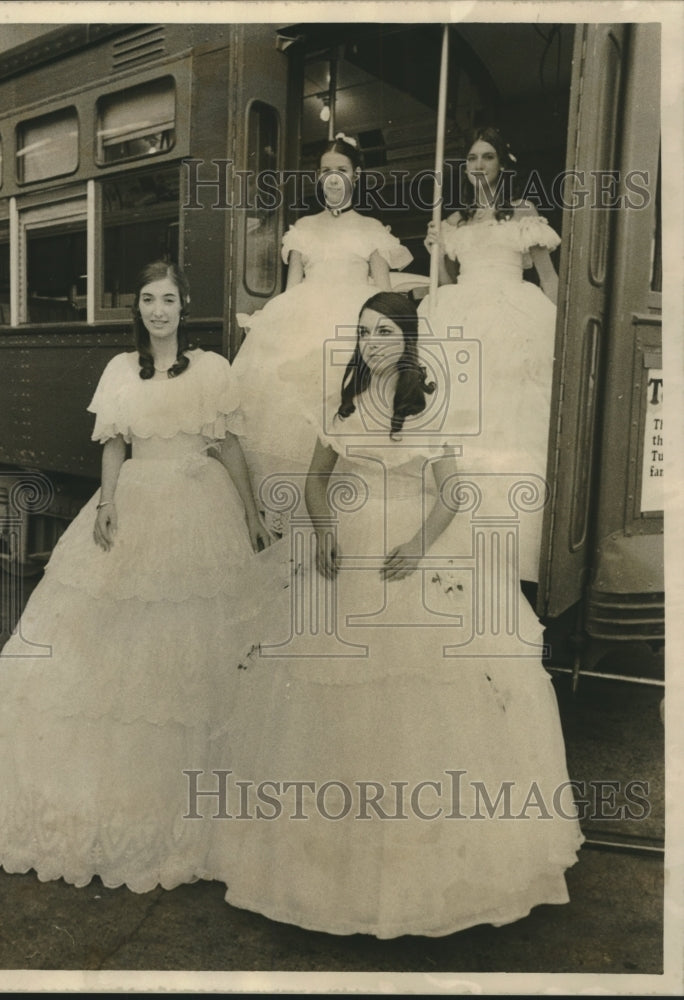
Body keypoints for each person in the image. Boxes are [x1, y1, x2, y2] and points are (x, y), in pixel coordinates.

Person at [203, 292, 582, 938]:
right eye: (365, 332)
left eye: (385, 332)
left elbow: (453, 493)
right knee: (331, 698)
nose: (373, 342)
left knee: (422, 701)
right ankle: (326, 871)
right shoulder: (344, 404)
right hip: (348, 553)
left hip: (412, 555)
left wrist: (418, 545)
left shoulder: (427, 401)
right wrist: (322, 531)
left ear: (407, 340)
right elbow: (318, 483)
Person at [0, 259, 282, 894]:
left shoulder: (211, 369)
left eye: (168, 299)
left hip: (200, 507)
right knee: (113, 645)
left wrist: (254, 515)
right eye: (147, 299)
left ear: (184, 305)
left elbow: (229, 445)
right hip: (138, 503)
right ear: (138, 310)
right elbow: (115, 444)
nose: (158, 310)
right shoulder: (122, 370)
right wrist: (110, 503)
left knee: (196, 641)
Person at [232, 134, 413, 525]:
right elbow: (292, 286)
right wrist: (272, 329)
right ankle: (288, 519)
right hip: (302, 317)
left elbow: (383, 292)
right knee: (288, 406)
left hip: (352, 322)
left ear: (356, 176)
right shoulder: (302, 228)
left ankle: (337, 515)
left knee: (339, 405)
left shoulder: (370, 228)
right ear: (319, 177)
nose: (333, 179)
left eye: (342, 171)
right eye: (327, 171)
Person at [421, 126, 561, 586]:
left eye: (487, 157)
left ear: (503, 165)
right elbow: (442, 281)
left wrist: (563, 329)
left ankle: (512, 556)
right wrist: (434, 252)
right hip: (461, 310)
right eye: (472, 158)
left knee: (511, 420)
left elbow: (549, 279)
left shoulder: (522, 213)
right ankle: (457, 544)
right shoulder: (455, 222)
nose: (478, 165)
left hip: (511, 314)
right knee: (461, 417)